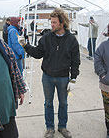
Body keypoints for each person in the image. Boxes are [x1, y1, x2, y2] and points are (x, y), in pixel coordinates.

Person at [19, 8, 80, 138]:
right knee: (48, 103)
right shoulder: (46, 38)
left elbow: (75, 61)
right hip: (47, 77)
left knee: (63, 103)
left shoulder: (72, 40)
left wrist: (73, 78)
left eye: (54, 22)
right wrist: (25, 46)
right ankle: (50, 128)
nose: (51, 25)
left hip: (63, 78)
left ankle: (62, 127)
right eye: (51, 22)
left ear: (62, 23)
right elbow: (38, 53)